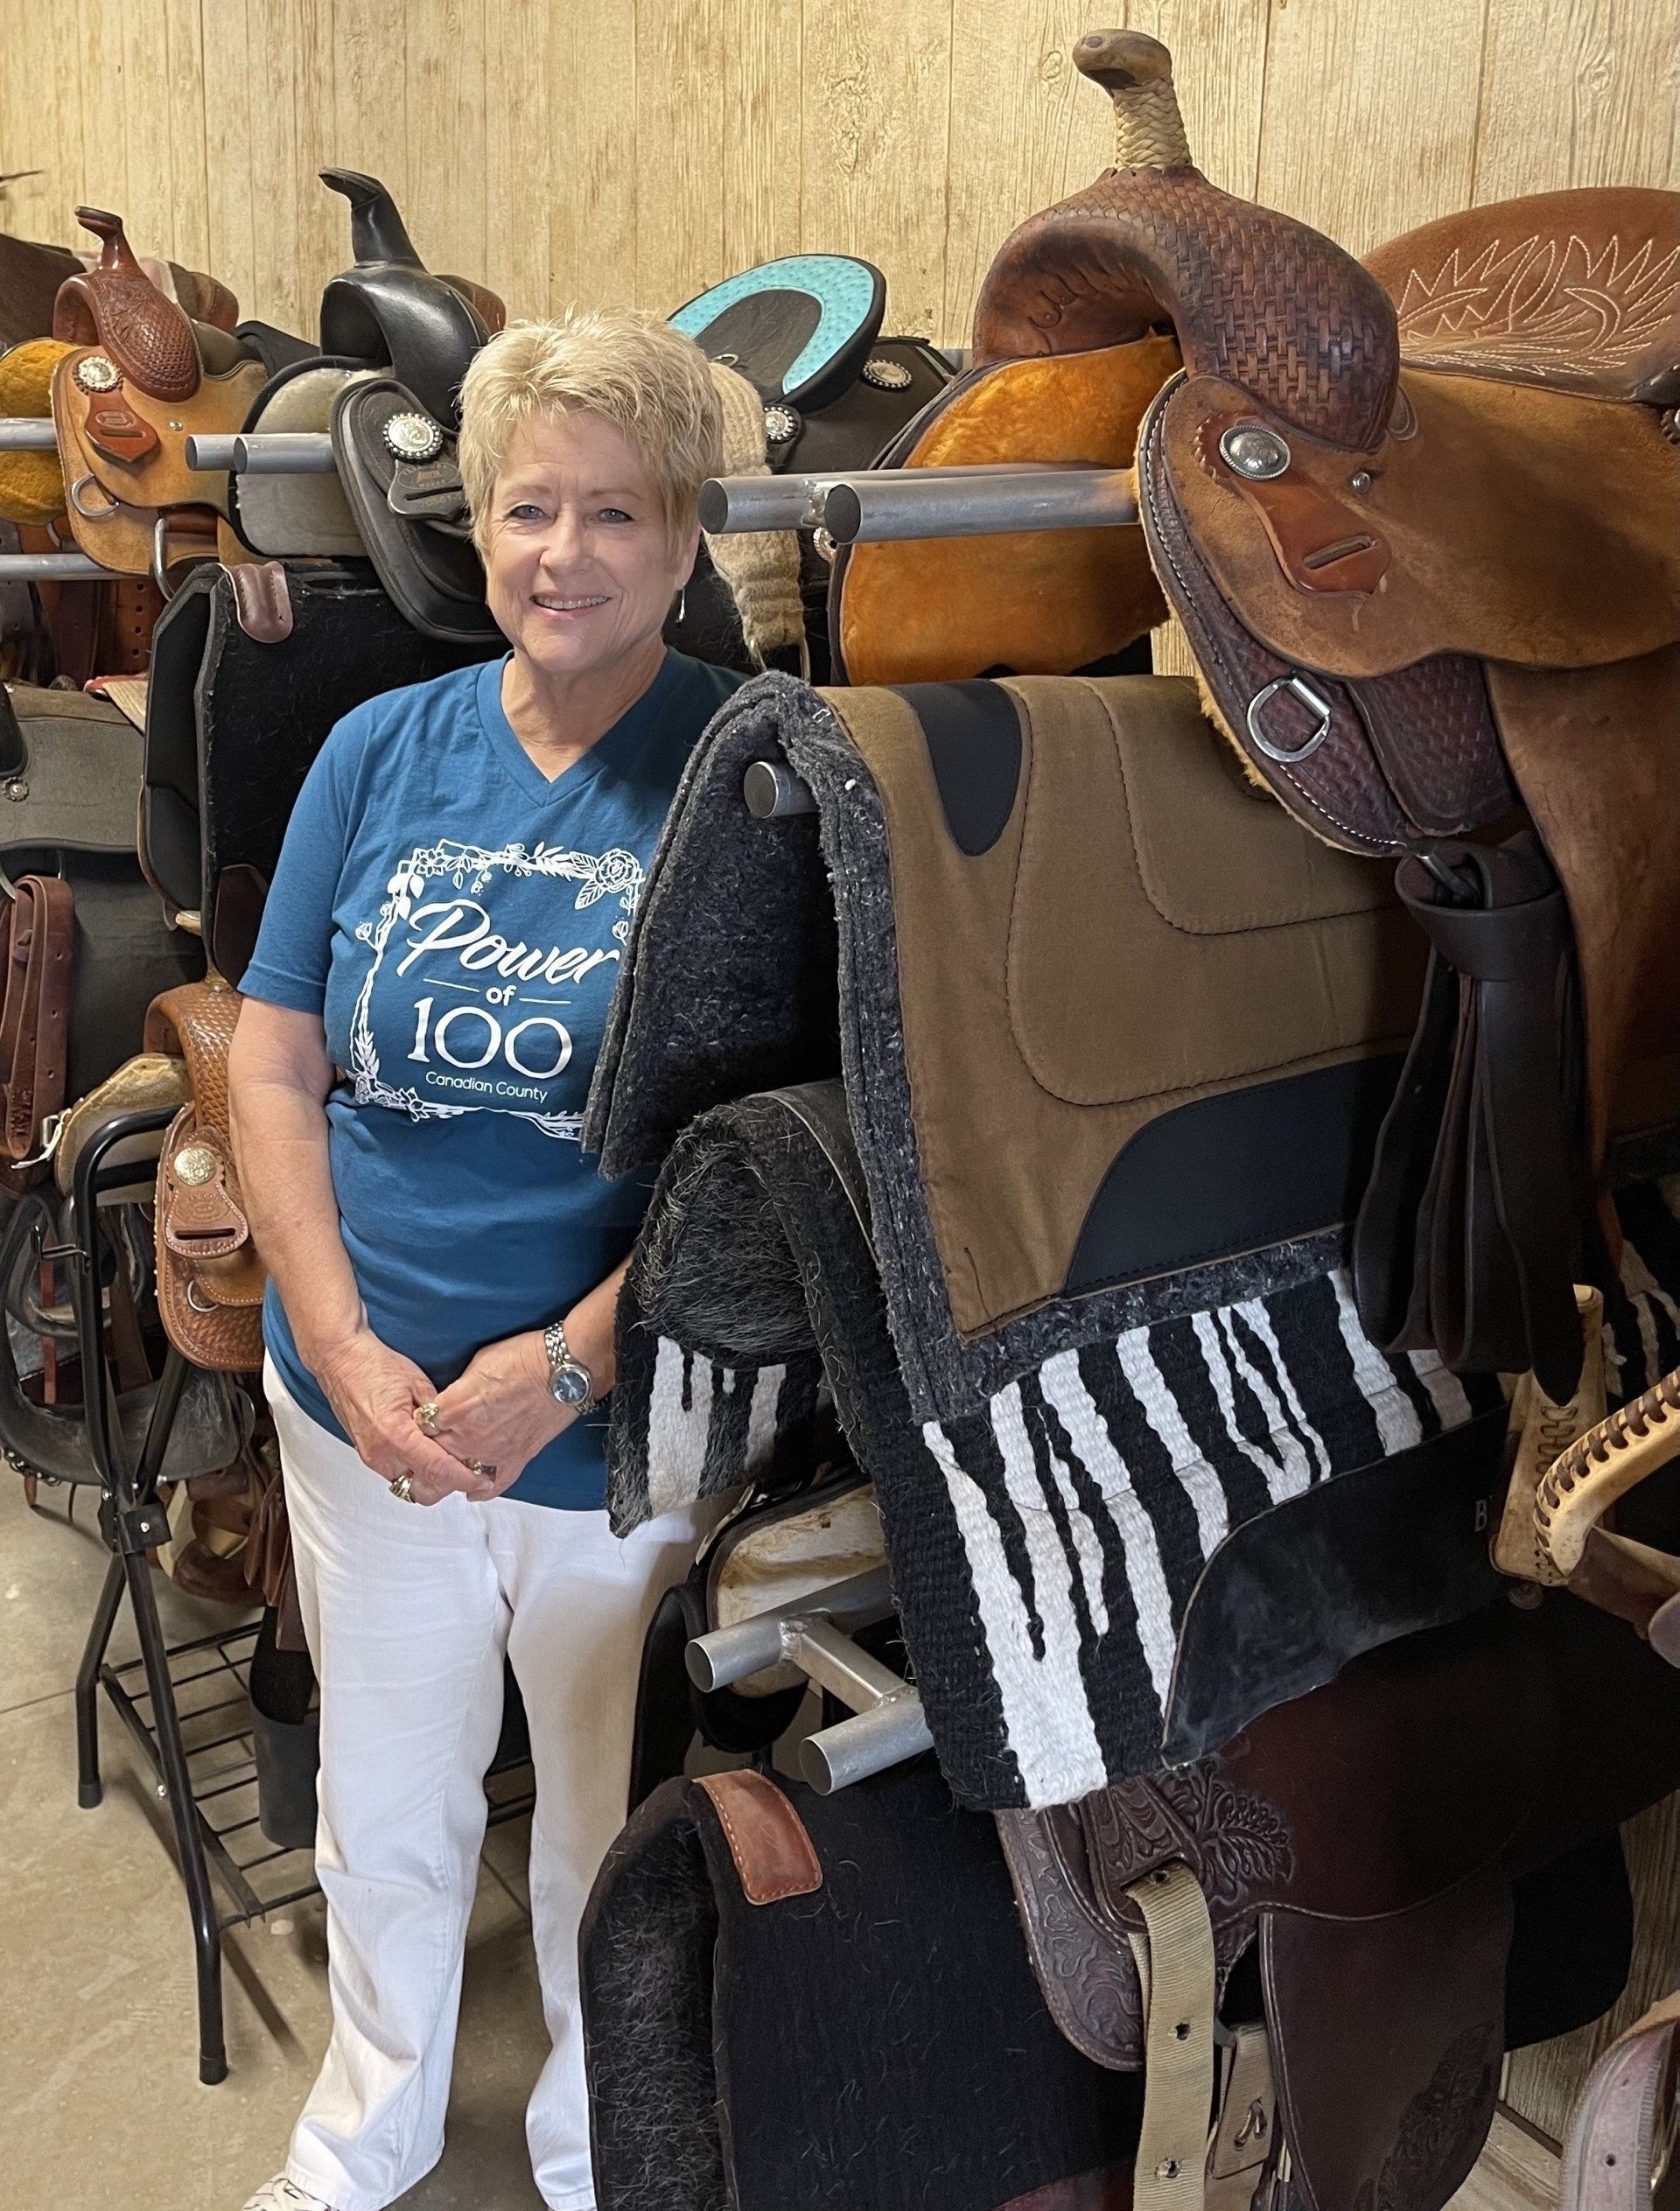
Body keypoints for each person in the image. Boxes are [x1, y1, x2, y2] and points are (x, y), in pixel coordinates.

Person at [228, 309, 746, 2211]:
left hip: (611, 1425)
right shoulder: (379, 749)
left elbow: (766, 1146)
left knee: (605, 1834)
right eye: (532, 507)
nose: (565, 554)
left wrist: (572, 1363)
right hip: (364, 1406)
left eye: (617, 512)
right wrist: (343, 1344)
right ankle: (365, 2127)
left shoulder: (748, 773)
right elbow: (274, 1054)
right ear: (480, 524)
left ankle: (597, 2154)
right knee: (385, 1806)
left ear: (684, 538)